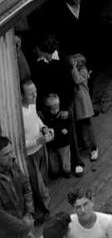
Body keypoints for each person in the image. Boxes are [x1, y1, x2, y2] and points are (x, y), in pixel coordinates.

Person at [31, 35, 83, 178]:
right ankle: (57, 167)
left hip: (63, 104)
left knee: (69, 133)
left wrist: (65, 107)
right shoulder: (37, 63)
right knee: (52, 133)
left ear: (43, 49)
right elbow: (38, 87)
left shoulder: (62, 60)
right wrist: (39, 108)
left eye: (37, 49)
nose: (36, 51)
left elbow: (69, 85)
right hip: (47, 105)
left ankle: (77, 162)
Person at [20, 80, 51, 221]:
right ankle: (44, 212)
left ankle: (45, 209)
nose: (35, 96)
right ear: (21, 95)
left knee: (43, 181)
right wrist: (37, 141)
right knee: (37, 186)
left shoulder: (32, 103)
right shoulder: (19, 113)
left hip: (41, 148)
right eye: (30, 94)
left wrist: (43, 127)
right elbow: (19, 143)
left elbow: (36, 118)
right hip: (30, 154)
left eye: (35, 91)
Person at [0, 135, 34, 235]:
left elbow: (26, 187)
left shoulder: (13, 165)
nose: (12, 156)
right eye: (6, 154)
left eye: (11, 152)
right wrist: (24, 227)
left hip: (25, 222)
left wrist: (29, 213)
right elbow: (2, 216)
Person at [69, 54, 98, 163]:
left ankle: (94, 148)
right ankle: (86, 146)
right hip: (78, 103)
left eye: (75, 61)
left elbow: (77, 80)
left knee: (87, 125)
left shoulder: (83, 71)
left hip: (83, 102)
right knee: (81, 126)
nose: (73, 63)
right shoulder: (76, 71)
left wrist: (74, 67)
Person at [41, 93, 72, 178]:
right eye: (52, 109)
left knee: (65, 158)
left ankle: (67, 171)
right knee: (53, 159)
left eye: (57, 108)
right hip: (52, 143)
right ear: (47, 108)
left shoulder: (63, 115)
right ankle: (55, 172)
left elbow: (70, 123)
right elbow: (44, 126)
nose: (55, 111)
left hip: (63, 142)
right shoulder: (47, 117)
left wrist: (67, 129)